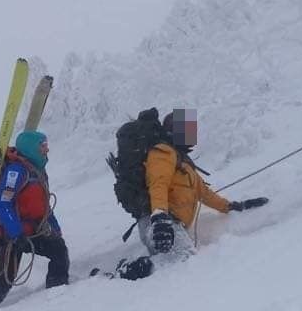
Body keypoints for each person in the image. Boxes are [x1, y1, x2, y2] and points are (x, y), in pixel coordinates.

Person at [110, 109, 268, 281]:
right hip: (156, 222)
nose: (192, 136)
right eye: (188, 130)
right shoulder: (162, 152)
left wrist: (232, 206)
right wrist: (160, 218)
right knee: (182, 259)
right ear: (175, 131)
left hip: (168, 223)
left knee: (181, 259)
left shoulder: (183, 162)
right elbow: (158, 184)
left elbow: (204, 193)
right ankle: (123, 272)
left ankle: (130, 270)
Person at [0, 130, 69, 311]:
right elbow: (3, 204)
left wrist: (55, 228)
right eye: (43, 145)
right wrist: (16, 234)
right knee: (4, 281)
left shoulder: (37, 171)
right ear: (32, 148)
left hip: (32, 233)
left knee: (59, 251)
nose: (46, 149)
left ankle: (58, 297)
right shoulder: (15, 172)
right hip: (11, 237)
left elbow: (44, 205)